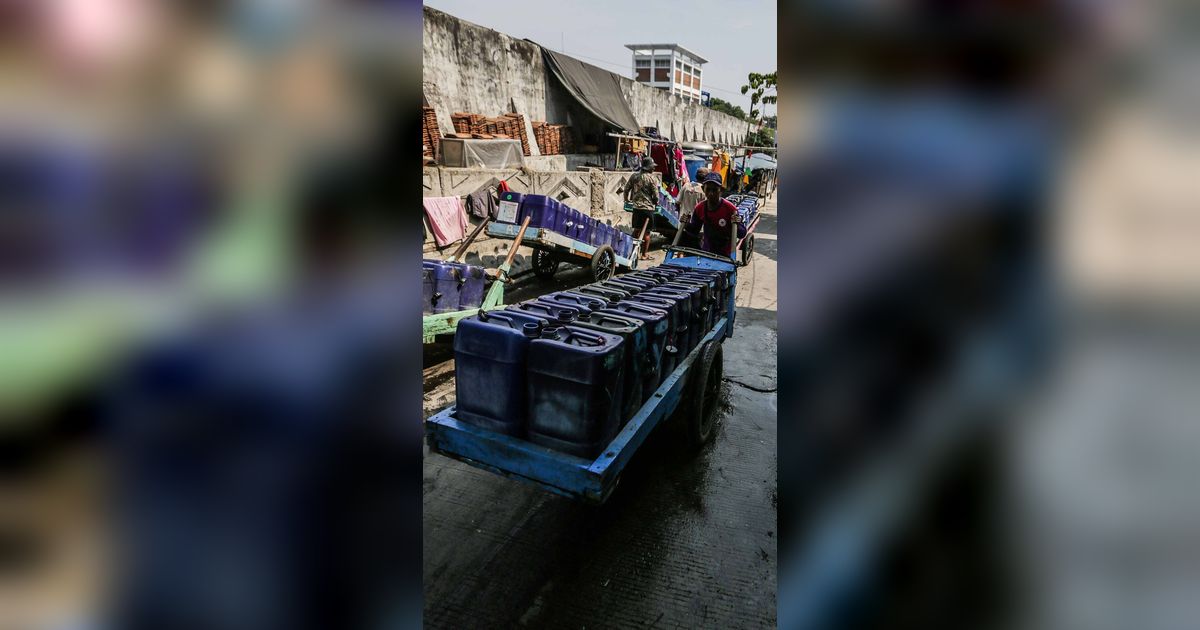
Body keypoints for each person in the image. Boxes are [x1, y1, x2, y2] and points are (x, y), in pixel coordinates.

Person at [684, 172, 745, 257]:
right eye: (708, 189)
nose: (711, 193)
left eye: (715, 190)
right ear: (703, 189)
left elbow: (742, 234)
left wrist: (738, 225)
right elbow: (694, 231)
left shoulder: (730, 209)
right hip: (707, 252)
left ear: (721, 190)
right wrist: (686, 224)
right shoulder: (700, 208)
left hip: (726, 255)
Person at [623, 156, 659, 260]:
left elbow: (626, 189)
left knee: (636, 230)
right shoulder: (652, 178)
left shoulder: (634, 176)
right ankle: (644, 255)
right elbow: (656, 195)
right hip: (648, 209)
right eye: (652, 167)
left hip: (636, 208)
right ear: (648, 168)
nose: (654, 169)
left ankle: (631, 252)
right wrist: (656, 203)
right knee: (647, 233)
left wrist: (626, 200)